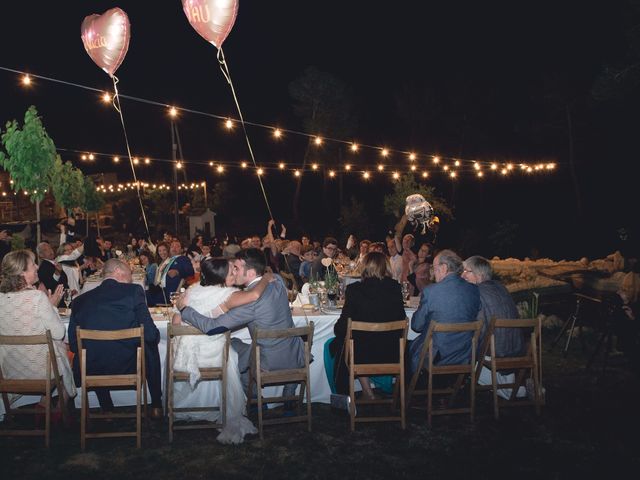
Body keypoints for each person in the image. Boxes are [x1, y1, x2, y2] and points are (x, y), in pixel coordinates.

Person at [174, 248, 305, 399]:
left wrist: (185, 310)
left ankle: (255, 397)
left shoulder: (248, 303)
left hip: (269, 361)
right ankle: (289, 393)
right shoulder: (277, 280)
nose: (234, 272)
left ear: (250, 273)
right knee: (240, 343)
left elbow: (212, 327)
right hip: (296, 353)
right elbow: (265, 282)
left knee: (230, 349)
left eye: (236, 268)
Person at [170, 257, 274, 443]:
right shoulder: (229, 295)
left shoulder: (192, 291)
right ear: (221, 277)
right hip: (213, 358)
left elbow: (176, 322)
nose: (235, 273)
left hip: (184, 358)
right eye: (231, 271)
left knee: (232, 346)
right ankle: (246, 401)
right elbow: (254, 296)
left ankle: (189, 408)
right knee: (233, 352)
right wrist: (266, 278)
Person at [68, 259, 163, 418]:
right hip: (129, 366)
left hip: (91, 369)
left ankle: (107, 408)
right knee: (150, 344)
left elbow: (72, 344)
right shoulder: (133, 291)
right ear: (118, 271)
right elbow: (152, 335)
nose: (131, 279)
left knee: (93, 349)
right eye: (129, 274)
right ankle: (156, 405)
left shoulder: (78, 301)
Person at [0, 250, 76, 411]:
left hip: (10, 370)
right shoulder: (37, 298)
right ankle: (57, 408)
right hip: (42, 372)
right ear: (22, 272)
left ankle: (44, 403)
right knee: (70, 351)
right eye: (33, 264)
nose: (36, 266)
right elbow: (59, 333)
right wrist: (52, 307)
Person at [329, 252, 407, 397]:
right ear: (386, 267)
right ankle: (368, 390)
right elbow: (401, 320)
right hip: (392, 353)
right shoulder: (395, 288)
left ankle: (343, 397)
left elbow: (341, 328)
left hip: (361, 355)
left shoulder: (354, 290)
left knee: (336, 344)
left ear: (364, 268)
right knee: (356, 341)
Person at [462, 255, 526, 398]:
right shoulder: (501, 287)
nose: (462, 274)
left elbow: (477, 327)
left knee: (458, 352)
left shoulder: (476, 292)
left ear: (479, 274)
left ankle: (515, 391)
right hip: (516, 348)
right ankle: (515, 389)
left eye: (467, 271)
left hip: (496, 350)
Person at [409, 249, 480, 375]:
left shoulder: (431, 291)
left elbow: (416, 326)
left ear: (444, 268)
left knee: (408, 347)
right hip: (464, 356)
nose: (433, 274)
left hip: (437, 357)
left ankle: (413, 390)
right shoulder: (474, 290)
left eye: (434, 268)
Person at [146, 240, 194, 306]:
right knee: (141, 291)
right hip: (160, 290)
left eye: (177, 246)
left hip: (168, 294)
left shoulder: (182, 258)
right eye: (172, 246)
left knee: (142, 296)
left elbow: (190, 271)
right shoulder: (170, 260)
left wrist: (178, 272)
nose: (174, 248)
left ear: (182, 249)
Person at [36, 242, 69, 306]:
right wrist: (57, 273)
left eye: (50, 248)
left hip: (64, 298)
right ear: (41, 255)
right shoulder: (43, 268)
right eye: (45, 250)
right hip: (57, 303)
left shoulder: (54, 263)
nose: (50, 251)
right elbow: (50, 286)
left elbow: (64, 279)